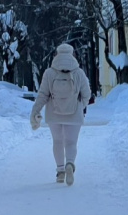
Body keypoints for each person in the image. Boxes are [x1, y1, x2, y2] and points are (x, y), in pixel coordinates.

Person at [30, 43, 91, 185]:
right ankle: (70, 164)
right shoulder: (79, 73)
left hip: (54, 113)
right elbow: (87, 94)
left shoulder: (49, 73)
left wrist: (36, 110)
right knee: (71, 142)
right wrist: (81, 105)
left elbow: (43, 94)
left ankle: (60, 171)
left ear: (57, 55)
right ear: (72, 54)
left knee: (57, 141)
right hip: (74, 113)